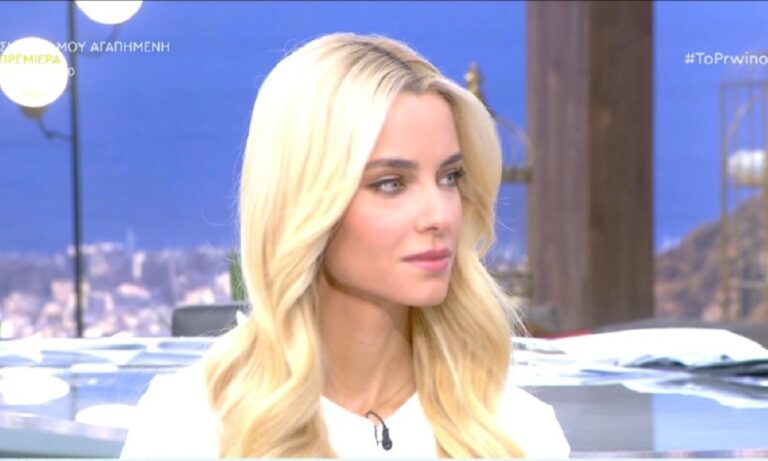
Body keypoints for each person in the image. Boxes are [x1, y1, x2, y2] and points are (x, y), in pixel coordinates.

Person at [121, 32, 571, 458]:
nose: (439, 215)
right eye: (391, 183)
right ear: (303, 199)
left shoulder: (515, 430)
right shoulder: (190, 424)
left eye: (449, 177)